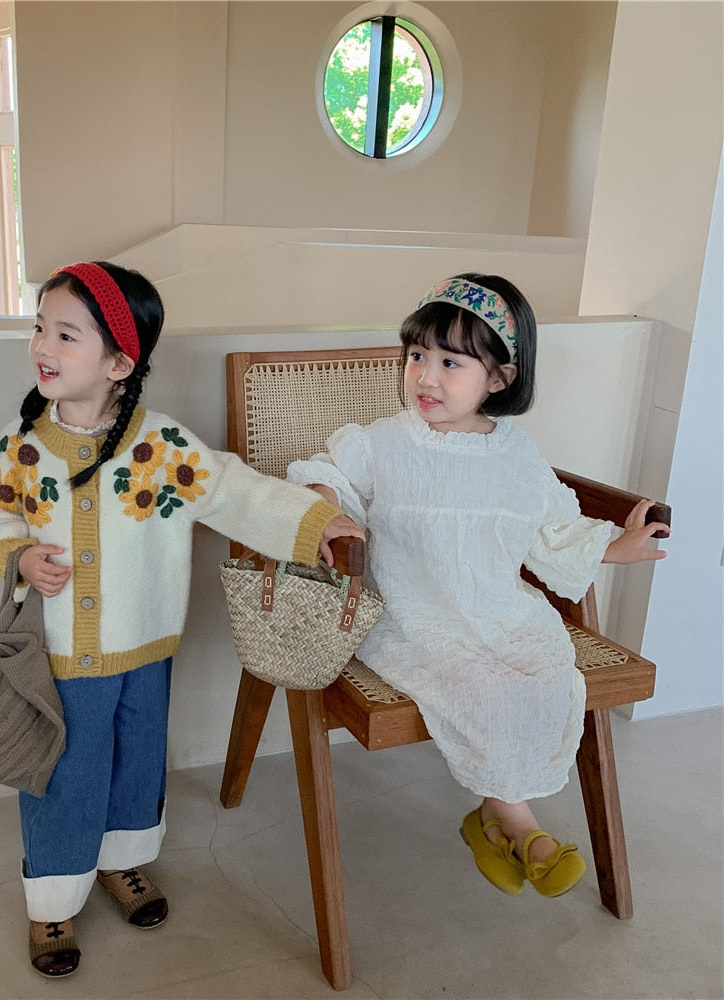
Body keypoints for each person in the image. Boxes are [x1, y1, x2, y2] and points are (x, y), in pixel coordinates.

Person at [0, 260, 362, 977]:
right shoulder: (20, 447)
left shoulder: (160, 448)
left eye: (66, 335)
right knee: (64, 771)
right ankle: (53, 894)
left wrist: (314, 524)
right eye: (40, 328)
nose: (43, 346)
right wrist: (16, 554)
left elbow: (233, 491)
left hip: (145, 646)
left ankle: (123, 860)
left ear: (119, 361)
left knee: (137, 759)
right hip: (60, 655)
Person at [287, 274, 669, 899]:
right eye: (417, 356)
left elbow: (553, 526)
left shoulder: (516, 456)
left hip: (498, 610)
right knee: (481, 685)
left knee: (548, 672)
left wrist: (613, 545)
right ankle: (515, 822)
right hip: (411, 617)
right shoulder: (382, 444)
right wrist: (326, 504)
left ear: (499, 377)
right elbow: (329, 475)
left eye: (451, 363)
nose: (425, 377)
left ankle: (491, 818)